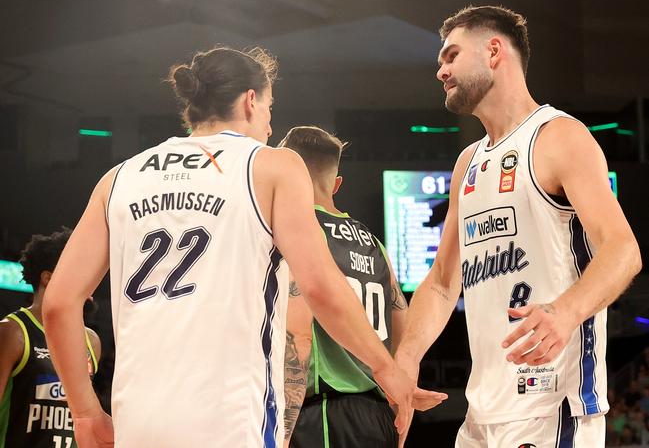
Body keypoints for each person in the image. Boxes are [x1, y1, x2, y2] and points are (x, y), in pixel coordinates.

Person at [42, 46, 438, 448]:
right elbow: (319, 287)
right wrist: (386, 368)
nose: (269, 125)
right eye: (269, 108)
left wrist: (86, 413)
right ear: (251, 101)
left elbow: (58, 304)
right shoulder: (272, 165)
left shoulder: (118, 178)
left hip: (139, 422)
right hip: (230, 419)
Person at [395, 5, 642, 447]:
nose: (440, 71)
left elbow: (623, 249)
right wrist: (407, 358)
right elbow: (440, 284)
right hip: (482, 412)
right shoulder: (467, 162)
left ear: (494, 51)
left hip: (551, 407)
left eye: (451, 56)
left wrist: (566, 311)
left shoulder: (559, 135)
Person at [278, 126, 447, 448]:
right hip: (378, 414)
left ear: (288, 174)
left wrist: (282, 429)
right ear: (336, 184)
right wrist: (402, 401)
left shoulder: (295, 232)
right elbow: (404, 332)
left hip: (321, 412)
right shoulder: (373, 243)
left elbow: (296, 335)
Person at [0, 228, 101, 447]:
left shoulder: (91, 341)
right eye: (78, 271)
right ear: (48, 278)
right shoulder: (13, 332)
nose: (88, 279)